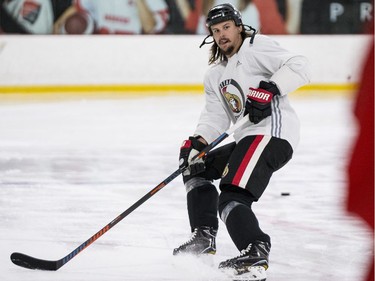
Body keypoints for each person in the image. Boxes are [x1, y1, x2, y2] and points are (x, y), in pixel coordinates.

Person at [173, 3, 311, 280]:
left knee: (232, 194)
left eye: (226, 27)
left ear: (238, 26)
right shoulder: (215, 75)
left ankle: (255, 250)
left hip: (272, 133)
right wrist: (199, 142)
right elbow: (215, 116)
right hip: (248, 136)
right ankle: (203, 237)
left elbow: (299, 64)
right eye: (216, 30)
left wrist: (271, 88)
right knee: (195, 168)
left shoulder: (255, 47)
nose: (222, 34)